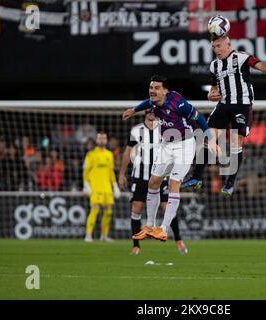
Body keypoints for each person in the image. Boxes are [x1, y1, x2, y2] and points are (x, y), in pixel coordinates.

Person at [181, 34, 266, 196]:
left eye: (219, 46)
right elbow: (213, 89)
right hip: (223, 105)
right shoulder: (214, 66)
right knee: (207, 137)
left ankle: (230, 183)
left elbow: (258, 64)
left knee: (236, 143)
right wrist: (211, 95)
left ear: (228, 45)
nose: (216, 50)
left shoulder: (241, 57)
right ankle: (196, 177)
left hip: (242, 105)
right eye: (214, 47)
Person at [122, 75, 218, 242]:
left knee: (174, 183)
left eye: (157, 88)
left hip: (184, 145)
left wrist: (211, 139)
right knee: (153, 182)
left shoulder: (178, 102)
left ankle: (164, 229)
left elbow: (199, 117)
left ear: (165, 91)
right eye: (151, 87)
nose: (152, 91)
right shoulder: (153, 101)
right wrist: (134, 110)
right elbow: (147, 102)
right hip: (166, 145)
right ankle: (150, 225)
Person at [118, 109, 188, 255]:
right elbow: (127, 151)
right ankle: (136, 245)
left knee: (166, 205)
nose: (151, 113)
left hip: (161, 175)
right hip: (140, 176)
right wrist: (122, 174)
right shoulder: (136, 130)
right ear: (145, 113)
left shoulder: (165, 128)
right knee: (136, 207)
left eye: (153, 111)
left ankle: (178, 240)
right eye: (148, 111)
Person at [83, 132, 120, 242]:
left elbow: (111, 172)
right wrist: (86, 186)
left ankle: (104, 235)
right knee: (95, 210)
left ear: (106, 140)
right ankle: (88, 235)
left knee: (108, 212)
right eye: (100, 138)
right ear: (97, 140)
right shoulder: (91, 154)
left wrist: (115, 186)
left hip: (107, 188)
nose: (102, 140)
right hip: (95, 187)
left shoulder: (109, 154)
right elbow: (85, 171)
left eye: (104, 138)